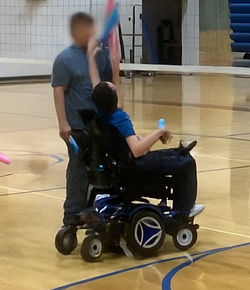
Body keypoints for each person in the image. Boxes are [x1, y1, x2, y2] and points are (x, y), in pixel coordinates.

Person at [87, 39, 203, 218]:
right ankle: (183, 211)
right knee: (186, 161)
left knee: (178, 153)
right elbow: (137, 150)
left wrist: (91, 57)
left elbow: (98, 86)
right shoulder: (120, 118)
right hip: (134, 165)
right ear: (114, 97)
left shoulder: (100, 111)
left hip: (118, 162)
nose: (115, 85)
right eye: (113, 87)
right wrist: (158, 132)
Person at [53, 12, 115, 229]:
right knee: (79, 168)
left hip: (101, 124)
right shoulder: (64, 59)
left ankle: (92, 212)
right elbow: (59, 91)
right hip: (78, 126)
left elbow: (109, 86)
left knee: (100, 168)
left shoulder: (100, 56)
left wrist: (114, 61)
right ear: (75, 32)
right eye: (86, 29)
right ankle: (72, 213)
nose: (91, 33)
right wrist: (63, 123)